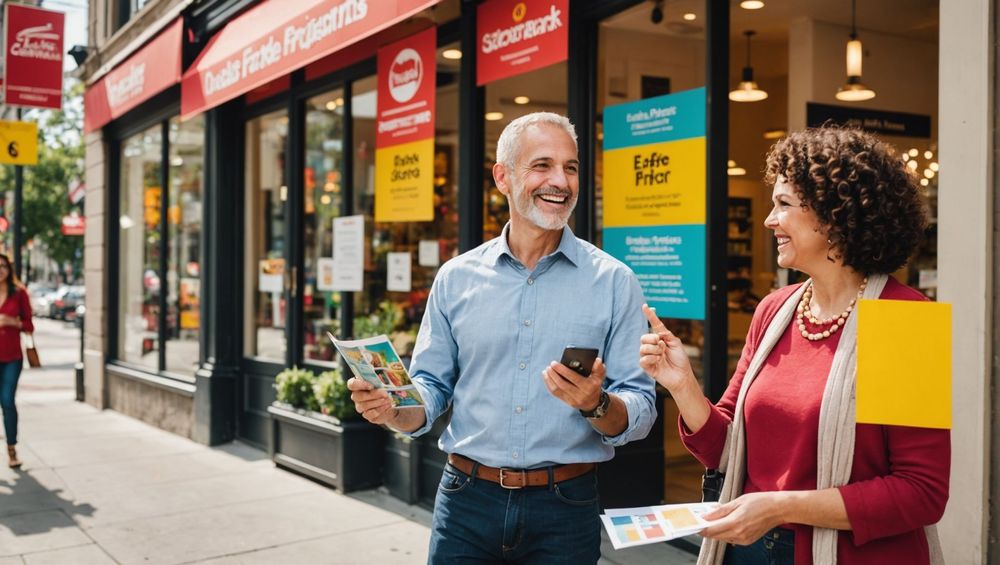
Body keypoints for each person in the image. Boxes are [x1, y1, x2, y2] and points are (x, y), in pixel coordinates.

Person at [348, 112, 656, 564]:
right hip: (465, 502)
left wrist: (597, 404)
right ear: (503, 177)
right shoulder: (456, 278)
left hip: (565, 509)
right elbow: (430, 389)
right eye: (542, 165)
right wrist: (393, 409)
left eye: (571, 167)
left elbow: (642, 407)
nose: (561, 181)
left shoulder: (614, 282)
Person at [639, 127, 950, 565]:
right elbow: (727, 449)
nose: (769, 220)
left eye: (784, 204)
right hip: (747, 549)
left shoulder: (901, 322)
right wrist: (683, 386)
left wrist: (781, 506)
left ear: (834, 215)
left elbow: (921, 493)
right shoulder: (775, 310)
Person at [0, 254, 34, 468]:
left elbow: (29, 325)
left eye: (3, 266)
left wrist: (12, 321)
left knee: (7, 401)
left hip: (12, 357)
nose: (0, 269)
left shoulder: (19, 293)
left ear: (9, 269)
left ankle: (12, 448)